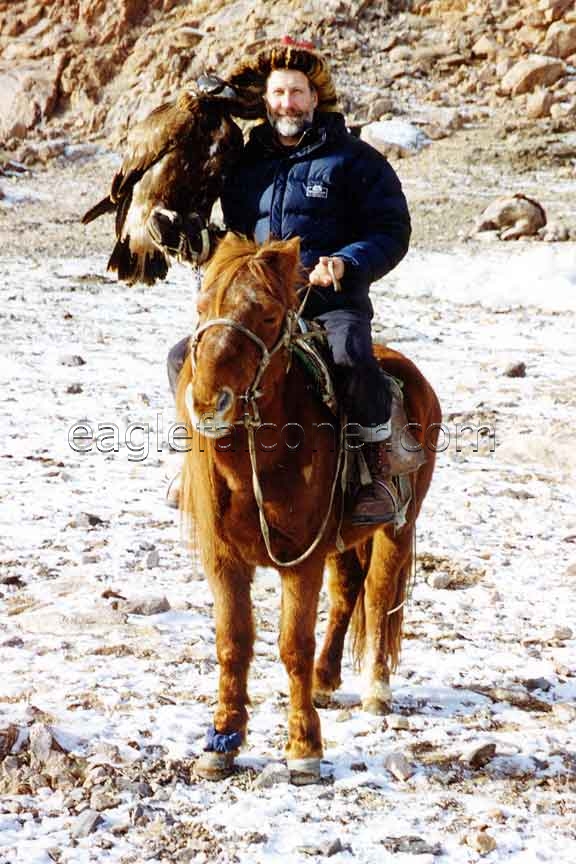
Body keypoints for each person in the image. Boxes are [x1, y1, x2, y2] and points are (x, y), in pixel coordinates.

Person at [160, 39, 424, 524]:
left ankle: (379, 468)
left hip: (328, 301)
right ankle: (198, 462)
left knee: (349, 357)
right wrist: (202, 245)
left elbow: (392, 230)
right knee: (184, 357)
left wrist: (346, 262)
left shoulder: (355, 160)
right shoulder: (242, 164)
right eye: (279, 93)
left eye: (298, 92)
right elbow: (237, 237)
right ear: (265, 98)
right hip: (257, 306)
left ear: (315, 96)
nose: (288, 103)